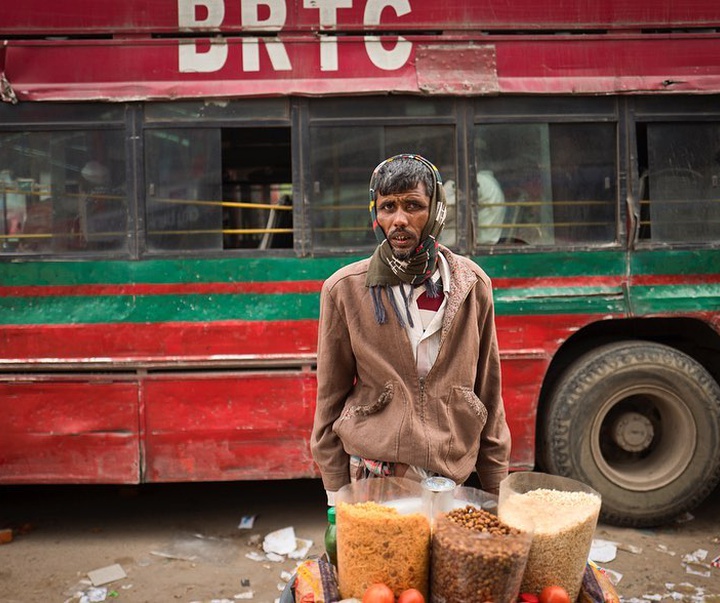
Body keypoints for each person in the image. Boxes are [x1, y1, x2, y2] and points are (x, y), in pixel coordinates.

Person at [310, 154, 511, 505]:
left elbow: (489, 396)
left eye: (413, 205)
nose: (399, 219)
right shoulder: (343, 290)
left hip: (449, 477)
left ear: (435, 211)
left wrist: (496, 491)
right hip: (374, 479)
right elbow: (329, 400)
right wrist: (335, 495)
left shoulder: (472, 285)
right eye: (388, 206)